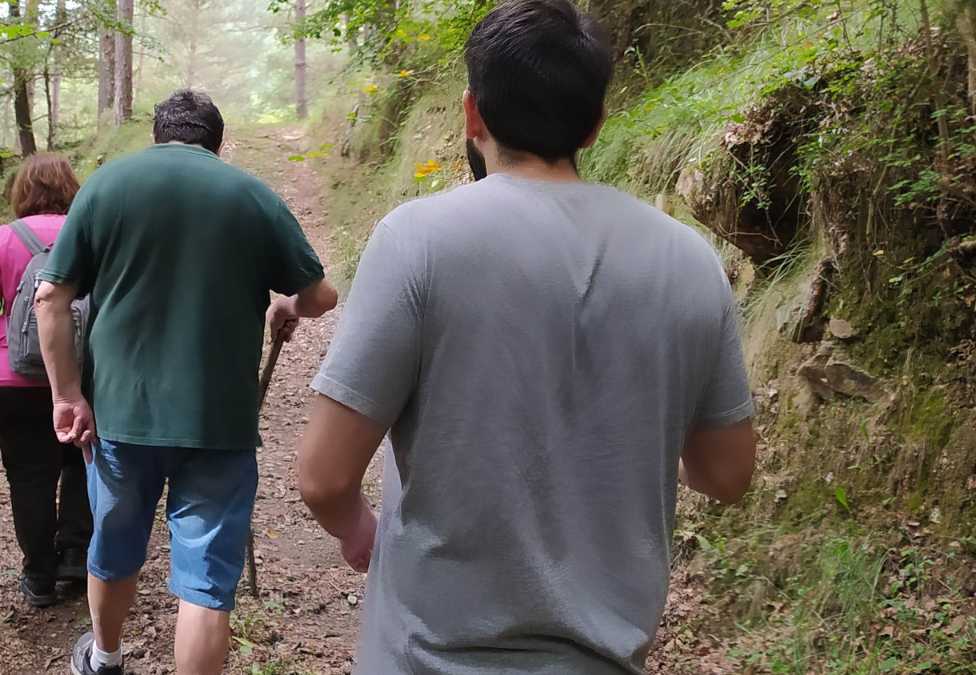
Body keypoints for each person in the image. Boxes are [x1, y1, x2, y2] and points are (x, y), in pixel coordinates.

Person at [294, 0, 758, 672]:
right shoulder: (689, 261)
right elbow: (727, 472)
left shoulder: (419, 241)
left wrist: (357, 530)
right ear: (596, 125)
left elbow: (322, 474)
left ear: (471, 113)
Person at [33, 90, 338, 675]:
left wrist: (68, 395)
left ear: (157, 135)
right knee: (204, 584)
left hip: (121, 412)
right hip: (217, 419)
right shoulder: (249, 194)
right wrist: (286, 309)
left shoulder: (107, 185)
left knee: (114, 550)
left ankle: (105, 658)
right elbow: (321, 294)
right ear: (216, 144)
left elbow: (51, 296)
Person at [0, 153, 93, 609]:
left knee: (29, 476)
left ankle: (39, 577)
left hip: (8, 382)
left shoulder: (2, 238)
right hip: (83, 376)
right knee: (80, 460)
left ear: (21, 192)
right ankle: (75, 552)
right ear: (72, 187)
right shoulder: (90, 234)